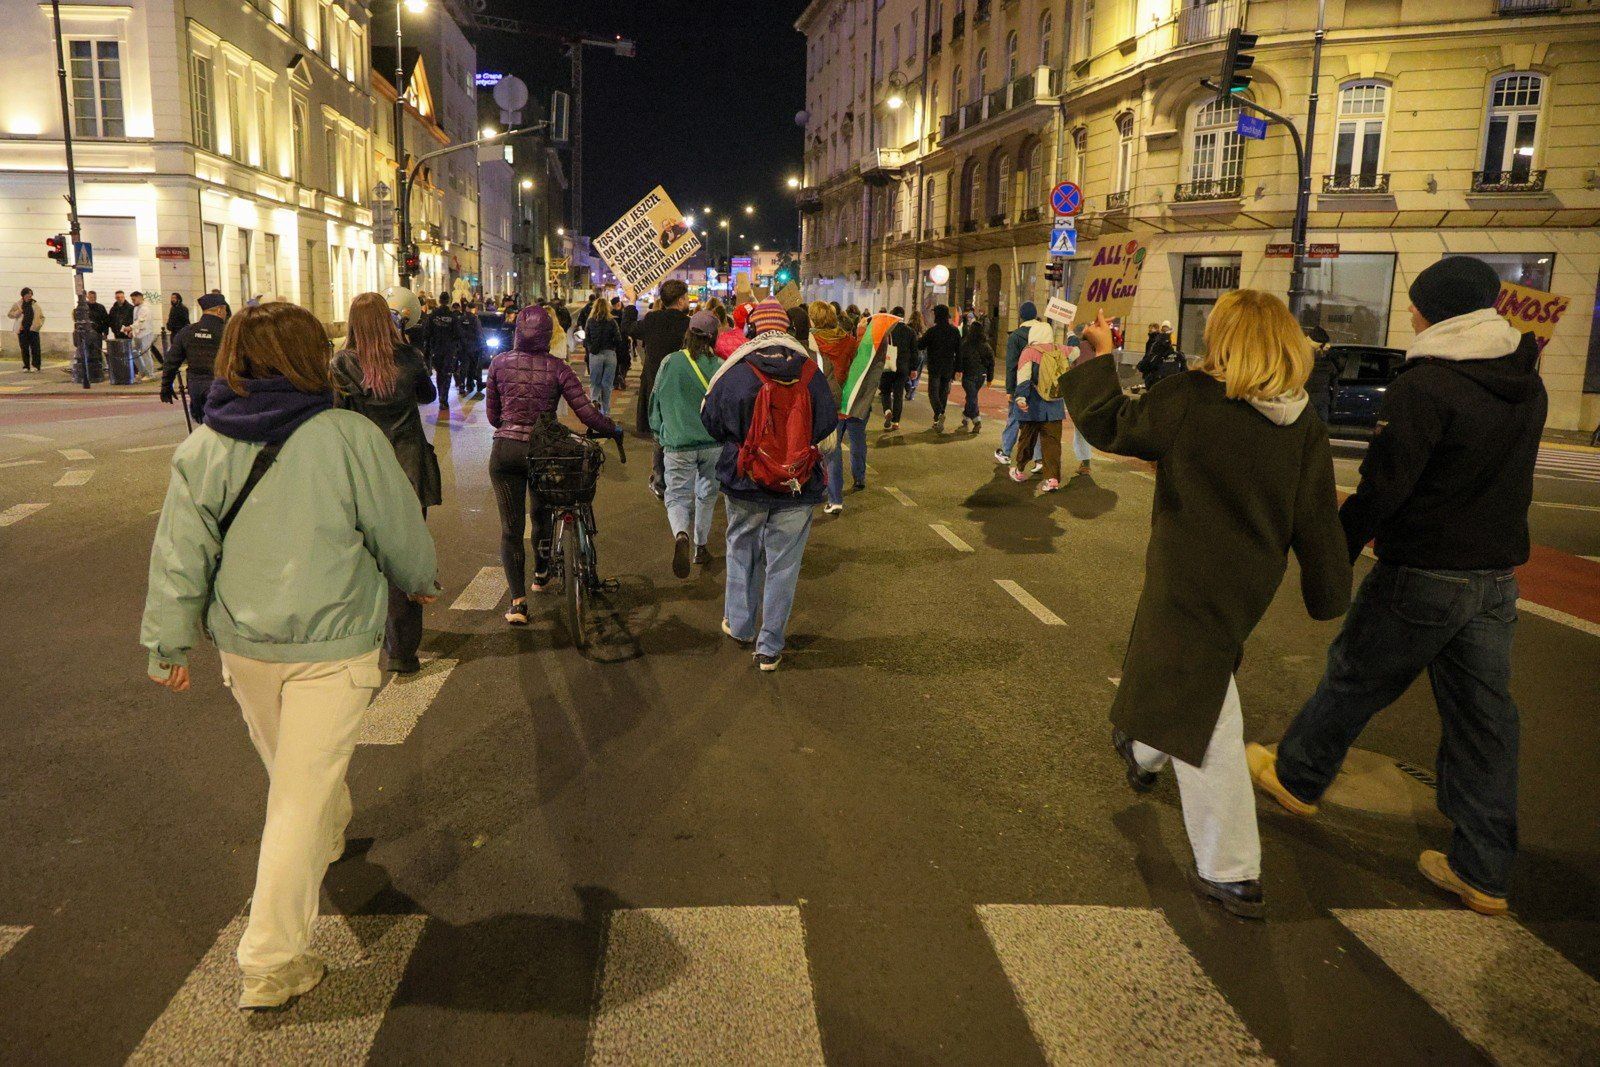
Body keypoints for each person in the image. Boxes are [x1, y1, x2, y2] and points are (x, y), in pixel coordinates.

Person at [141, 301, 439, 1010]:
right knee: (297, 793)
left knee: (296, 776)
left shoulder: (205, 445)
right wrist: (419, 578)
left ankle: (328, 830)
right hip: (331, 646)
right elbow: (396, 523)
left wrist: (167, 640)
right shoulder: (346, 436)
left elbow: (180, 553)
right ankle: (271, 960)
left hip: (244, 646)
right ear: (311, 358)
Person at [1250, 257, 1547, 917]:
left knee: (1355, 679)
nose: (1410, 313)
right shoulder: (1527, 381)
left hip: (1424, 572)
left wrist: (1336, 549)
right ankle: (1484, 870)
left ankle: (1296, 776)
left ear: (1437, 311)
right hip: (1496, 578)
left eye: (1416, 303)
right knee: (1485, 720)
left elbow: (1386, 485)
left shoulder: (1427, 386)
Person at [1066, 294, 1352, 919]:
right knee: (1185, 671)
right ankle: (1141, 748)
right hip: (1248, 581)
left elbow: (1111, 423)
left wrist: (1101, 357)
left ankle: (1232, 869)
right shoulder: (1304, 421)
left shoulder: (1194, 397)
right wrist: (1330, 590)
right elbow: (1316, 516)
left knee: (1209, 710)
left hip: (1188, 574)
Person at [701, 302, 839, 670]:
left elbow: (711, 420)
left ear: (753, 330)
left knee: (741, 549)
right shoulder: (809, 369)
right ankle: (769, 647)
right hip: (798, 483)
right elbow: (827, 422)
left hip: (746, 481)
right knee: (784, 563)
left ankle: (741, 625)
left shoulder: (737, 370)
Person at [485, 305, 619, 625]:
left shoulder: (499, 364)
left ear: (518, 331)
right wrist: (611, 428)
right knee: (541, 509)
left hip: (505, 452)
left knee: (511, 529)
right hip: (542, 450)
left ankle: (518, 602)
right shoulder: (557, 368)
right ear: (548, 335)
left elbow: (493, 416)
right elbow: (586, 412)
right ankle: (542, 572)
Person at [331, 292, 443, 673]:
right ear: (389, 321)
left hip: (362, 469)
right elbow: (428, 396)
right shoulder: (408, 358)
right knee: (405, 557)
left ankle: (363, 640)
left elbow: (336, 415)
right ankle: (403, 652)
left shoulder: (341, 364)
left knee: (363, 559)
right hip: (408, 464)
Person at [650, 310, 723, 577]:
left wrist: (659, 432)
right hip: (713, 443)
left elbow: (655, 399)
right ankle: (700, 547)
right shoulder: (721, 365)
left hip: (678, 443)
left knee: (678, 496)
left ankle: (681, 533)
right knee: (707, 494)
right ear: (714, 336)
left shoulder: (670, 362)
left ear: (689, 333)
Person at [627, 279, 693, 499]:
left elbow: (628, 327)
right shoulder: (689, 324)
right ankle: (680, 478)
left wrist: (631, 302)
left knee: (658, 433)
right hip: (681, 385)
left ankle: (660, 480)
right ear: (681, 299)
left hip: (656, 385)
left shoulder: (653, 319)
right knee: (681, 430)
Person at [806, 302, 860, 515]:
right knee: (833, 450)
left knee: (813, 446)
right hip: (841, 398)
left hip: (818, 397)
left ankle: (815, 488)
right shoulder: (848, 340)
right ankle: (836, 498)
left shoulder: (812, 341)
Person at [1009, 322, 1071, 492]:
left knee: (1027, 440)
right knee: (1052, 444)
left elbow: (1023, 377)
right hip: (1055, 406)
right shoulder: (1061, 350)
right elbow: (1077, 352)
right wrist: (1071, 333)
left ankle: (1019, 470)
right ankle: (1052, 480)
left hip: (1032, 405)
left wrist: (1021, 397)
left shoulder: (1029, 352)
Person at [160, 293, 231, 425]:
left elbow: (171, 361)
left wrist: (166, 385)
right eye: (225, 310)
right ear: (220, 310)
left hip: (196, 387)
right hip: (221, 385)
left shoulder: (187, 332)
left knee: (203, 425)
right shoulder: (228, 332)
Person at [918, 305, 962, 433]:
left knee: (933, 393)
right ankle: (938, 418)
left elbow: (920, 345)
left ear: (937, 316)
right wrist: (959, 369)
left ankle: (938, 413)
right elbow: (959, 351)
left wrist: (917, 339)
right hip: (948, 367)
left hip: (935, 367)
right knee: (943, 393)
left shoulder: (932, 331)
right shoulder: (954, 331)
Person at [425, 294, 466, 411]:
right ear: (448, 301)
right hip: (449, 349)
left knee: (439, 374)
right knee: (447, 374)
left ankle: (440, 398)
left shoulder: (433, 316)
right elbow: (459, 334)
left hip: (437, 349)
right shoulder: (452, 316)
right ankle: (444, 399)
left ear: (439, 300)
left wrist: (428, 349)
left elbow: (427, 334)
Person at [878, 307, 917, 431]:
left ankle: (887, 411)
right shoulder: (910, 331)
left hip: (887, 366)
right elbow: (914, 352)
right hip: (902, 367)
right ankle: (895, 422)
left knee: (885, 391)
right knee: (898, 394)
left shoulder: (887, 330)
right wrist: (913, 369)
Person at [584, 297, 623, 415]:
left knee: (595, 382)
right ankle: (605, 412)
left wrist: (591, 349)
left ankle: (594, 403)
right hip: (610, 354)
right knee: (607, 384)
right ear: (607, 308)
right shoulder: (612, 321)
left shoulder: (590, 321)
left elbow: (587, 339)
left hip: (595, 355)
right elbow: (618, 339)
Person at [956, 311, 993, 434]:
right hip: (980, 376)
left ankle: (976, 421)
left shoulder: (966, 344)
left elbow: (960, 359)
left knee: (972, 398)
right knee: (972, 397)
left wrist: (959, 371)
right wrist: (989, 378)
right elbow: (991, 362)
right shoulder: (986, 345)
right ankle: (967, 419)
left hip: (969, 376)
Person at [1302, 325, 1343, 424]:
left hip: (1307, 403)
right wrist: (1332, 404)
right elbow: (1335, 384)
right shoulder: (1328, 363)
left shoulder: (1303, 362)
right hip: (1320, 403)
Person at [8, 288, 43, 371]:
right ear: (23, 295)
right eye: (28, 294)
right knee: (24, 349)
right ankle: (26, 366)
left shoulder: (35, 304)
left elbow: (41, 317)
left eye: (31, 294)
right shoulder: (18, 304)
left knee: (35, 348)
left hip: (33, 329)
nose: (30, 295)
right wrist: (17, 313)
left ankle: (36, 366)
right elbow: (10, 314)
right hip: (22, 330)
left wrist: (38, 325)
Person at [127, 291, 158, 380]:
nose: (132, 301)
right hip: (137, 334)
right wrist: (132, 331)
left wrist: (130, 327)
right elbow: (136, 321)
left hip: (146, 333)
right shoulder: (136, 308)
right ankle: (142, 371)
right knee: (134, 351)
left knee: (145, 353)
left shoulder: (145, 308)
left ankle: (150, 374)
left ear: (140, 297)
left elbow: (141, 321)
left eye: (134, 299)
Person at [904, 309, 926, 401]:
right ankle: (912, 393)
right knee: (917, 372)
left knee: (908, 371)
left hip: (910, 352)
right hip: (920, 353)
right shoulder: (923, 328)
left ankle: (908, 385)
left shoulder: (908, 327)